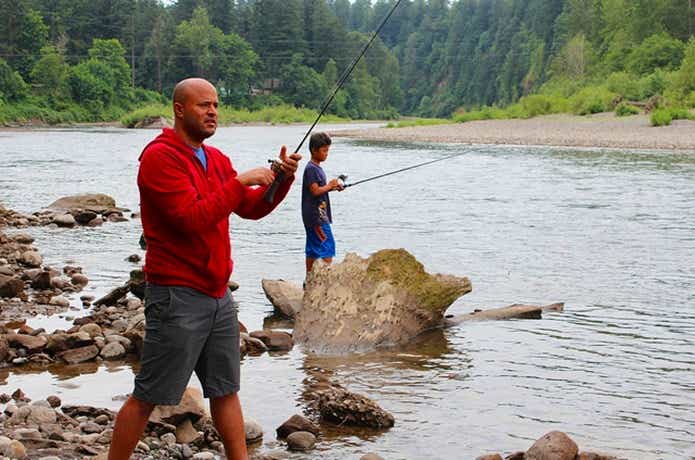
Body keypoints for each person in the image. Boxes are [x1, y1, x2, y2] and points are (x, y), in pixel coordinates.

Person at [107, 78, 301, 460]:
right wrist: (240, 181)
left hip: (217, 295)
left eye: (215, 105)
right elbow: (189, 218)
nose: (212, 111)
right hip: (176, 294)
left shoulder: (215, 160)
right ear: (180, 109)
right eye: (203, 105)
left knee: (225, 390)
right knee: (149, 395)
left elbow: (250, 207)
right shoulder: (160, 158)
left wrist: (282, 179)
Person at [301, 132, 343, 276]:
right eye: (324, 150)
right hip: (317, 217)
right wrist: (330, 185)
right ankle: (323, 279)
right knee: (327, 245)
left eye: (328, 150)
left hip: (313, 216)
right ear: (314, 150)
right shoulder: (311, 169)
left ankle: (309, 279)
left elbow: (320, 191)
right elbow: (315, 191)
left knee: (313, 248)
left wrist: (332, 187)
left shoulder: (315, 168)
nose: (326, 154)